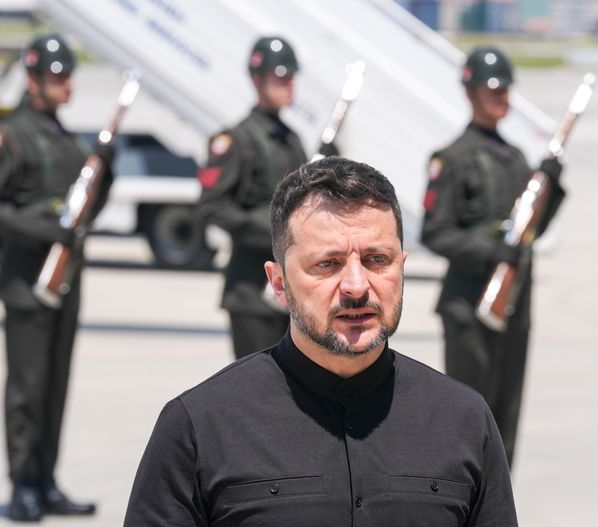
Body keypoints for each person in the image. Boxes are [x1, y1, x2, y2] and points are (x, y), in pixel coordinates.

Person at [125, 157, 517, 526]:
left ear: (401, 267)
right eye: (327, 264)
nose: (356, 286)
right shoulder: (201, 426)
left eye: (377, 260)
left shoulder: (464, 420)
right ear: (279, 283)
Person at [0, 34, 114, 522]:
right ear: (33, 80)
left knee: (55, 388)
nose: (66, 83)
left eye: (69, 74)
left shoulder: (66, 139)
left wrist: (108, 169)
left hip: (64, 282)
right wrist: (46, 230)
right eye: (57, 75)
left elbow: (85, 211)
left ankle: (47, 480)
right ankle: (22, 485)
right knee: (26, 390)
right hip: (25, 283)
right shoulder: (9, 137)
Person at [420, 46, 566, 467]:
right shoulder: (452, 158)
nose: (503, 96)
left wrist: (551, 188)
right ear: (471, 92)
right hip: (469, 310)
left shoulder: (514, 157)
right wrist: (490, 251)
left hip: (513, 309)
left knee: (505, 427)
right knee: (468, 427)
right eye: (493, 89)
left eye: (506, 89)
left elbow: (529, 233)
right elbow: (435, 232)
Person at [197, 36, 338, 360]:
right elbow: (212, 205)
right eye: (280, 77)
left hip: (292, 291)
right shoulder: (235, 139)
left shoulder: (292, 140)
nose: (289, 84)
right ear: (257, 79)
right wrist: (273, 233)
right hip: (251, 289)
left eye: (291, 77)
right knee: (256, 385)